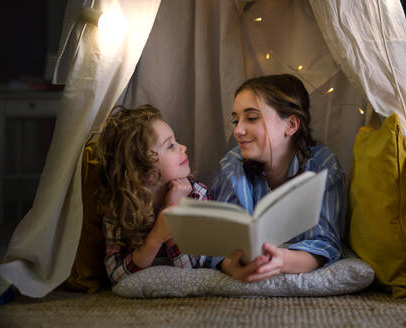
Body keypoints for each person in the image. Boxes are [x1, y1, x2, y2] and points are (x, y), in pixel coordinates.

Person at [212, 74, 346, 283]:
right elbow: (218, 244)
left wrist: (282, 260)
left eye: (252, 118)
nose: (238, 130)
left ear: (291, 125)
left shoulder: (322, 166)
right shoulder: (233, 166)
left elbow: (324, 243)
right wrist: (233, 267)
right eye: (235, 120)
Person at [97, 104, 221, 285]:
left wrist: (173, 214)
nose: (183, 147)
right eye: (170, 145)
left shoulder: (197, 194)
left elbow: (196, 270)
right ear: (143, 172)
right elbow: (117, 275)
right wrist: (155, 238)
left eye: (176, 141)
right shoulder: (119, 205)